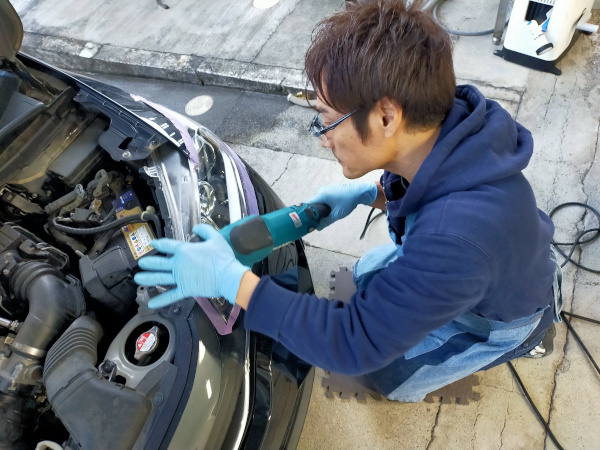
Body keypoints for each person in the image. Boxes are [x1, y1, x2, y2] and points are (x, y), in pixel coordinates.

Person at [134, 0, 561, 402]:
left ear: (386, 117)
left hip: (498, 316)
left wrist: (234, 284)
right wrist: (374, 194)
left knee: (388, 377)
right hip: (499, 256)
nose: (324, 140)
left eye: (326, 120)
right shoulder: (451, 125)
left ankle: (530, 339)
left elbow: (353, 342)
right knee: (363, 275)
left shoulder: (454, 237)